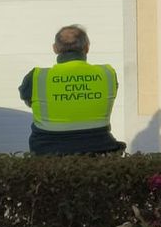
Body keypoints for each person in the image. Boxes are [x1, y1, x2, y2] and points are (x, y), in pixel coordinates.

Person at [18, 24, 122, 155]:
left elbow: (28, 99)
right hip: (99, 149)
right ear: (87, 48)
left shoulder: (37, 77)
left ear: (55, 49)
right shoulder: (107, 74)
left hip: (48, 152)